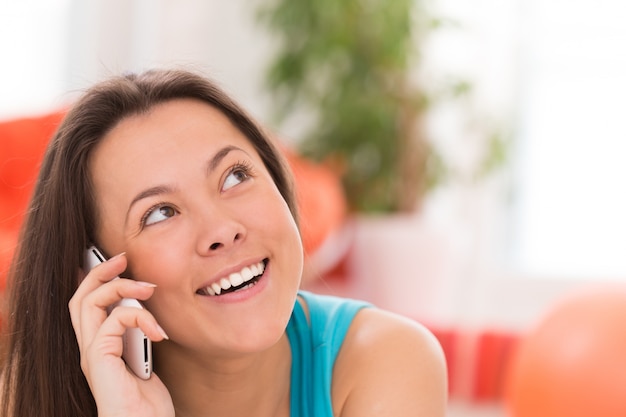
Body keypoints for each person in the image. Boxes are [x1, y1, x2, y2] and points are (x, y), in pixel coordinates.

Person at [0, 68, 447, 417]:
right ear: (98, 273)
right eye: (160, 213)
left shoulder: (386, 363)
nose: (222, 230)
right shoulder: (30, 399)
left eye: (235, 176)